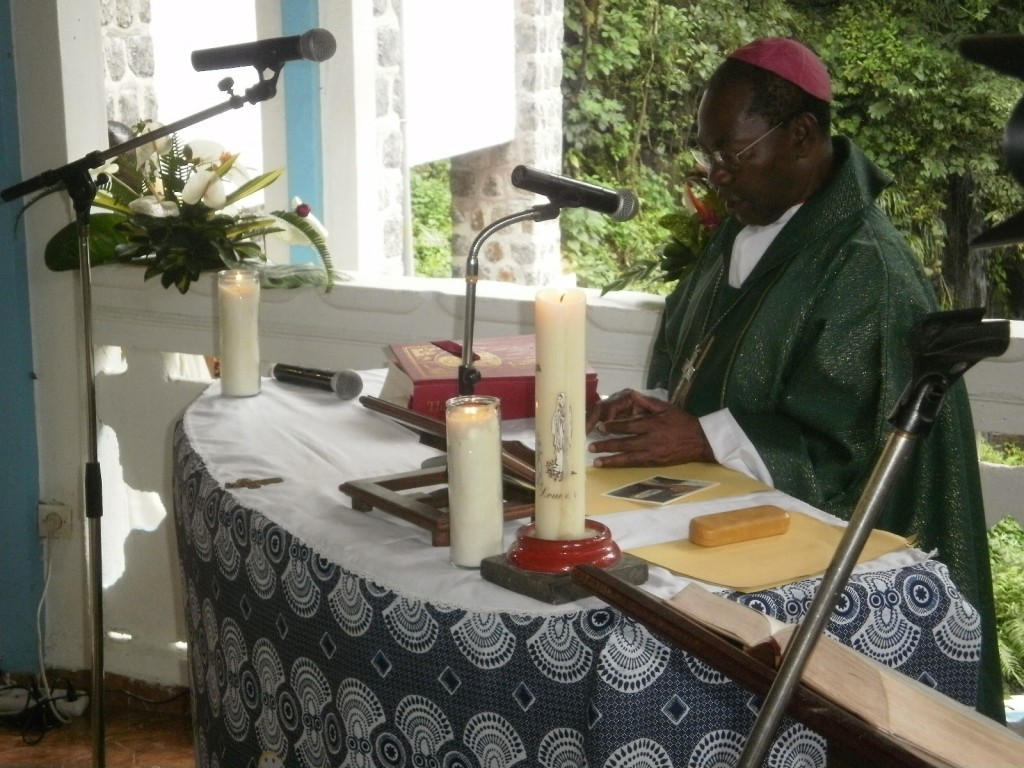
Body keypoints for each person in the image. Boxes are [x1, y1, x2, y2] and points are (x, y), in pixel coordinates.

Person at [585, 37, 1005, 722]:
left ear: (803, 136)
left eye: (731, 154)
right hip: (726, 531)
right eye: (709, 153)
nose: (715, 175)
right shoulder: (755, 227)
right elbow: (706, 359)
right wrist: (658, 407)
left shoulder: (866, 268)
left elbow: (855, 457)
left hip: (855, 591)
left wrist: (701, 435)